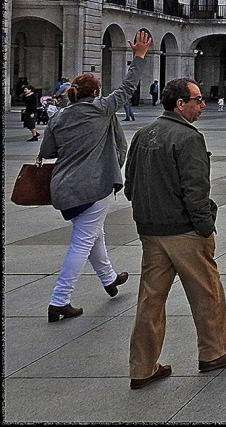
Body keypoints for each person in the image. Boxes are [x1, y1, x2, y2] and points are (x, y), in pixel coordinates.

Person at [124, 77, 226, 390]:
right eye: (198, 100)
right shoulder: (188, 138)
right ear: (181, 104)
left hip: (150, 231)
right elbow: (196, 190)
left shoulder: (142, 134)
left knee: (150, 301)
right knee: (206, 292)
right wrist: (204, 226)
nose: (202, 105)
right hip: (185, 231)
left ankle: (142, 368)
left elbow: (129, 185)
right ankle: (213, 351)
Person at [40, 29, 152, 322]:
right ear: (95, 93)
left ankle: (109, 277)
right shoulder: (101, 109)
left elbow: (49, 151)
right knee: (83, 240)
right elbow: (127, 88)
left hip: (63, 188)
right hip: (94, 186)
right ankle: (59, 300)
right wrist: (138, 56)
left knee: (93, 233)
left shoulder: (59, 117)